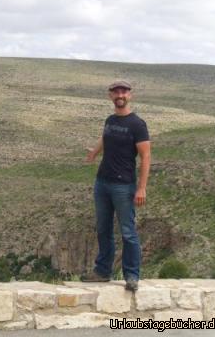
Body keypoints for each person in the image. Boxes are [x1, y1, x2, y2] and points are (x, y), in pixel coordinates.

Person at [80, 80, 151, 292]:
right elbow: (105, 136)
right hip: (102, 182)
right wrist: (94, 152)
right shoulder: (110, 120)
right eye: (116, 91)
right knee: (103, 229)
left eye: (124, 91)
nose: (120, 94)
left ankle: (132, 276)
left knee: (128, 232)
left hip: (123, 186)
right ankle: (102, 271)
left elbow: (146, 157)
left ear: (130, 95)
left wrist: (141, 188)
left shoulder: (137, 124)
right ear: (110, 96)